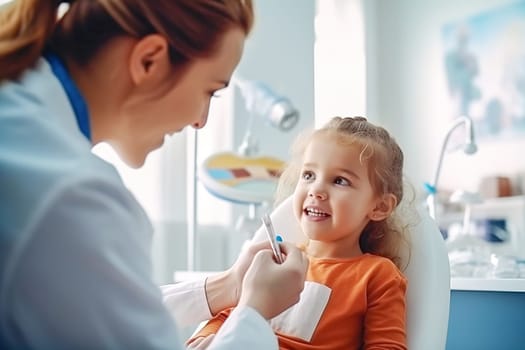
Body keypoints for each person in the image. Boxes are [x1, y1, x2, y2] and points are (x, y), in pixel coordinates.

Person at [0, 1, 308, 349]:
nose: (200, 121)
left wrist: (230, 288)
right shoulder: (75, 196)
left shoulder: (18, 114)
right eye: (210, 90)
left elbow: (95, 305)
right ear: (149, 60)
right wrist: (255, 313)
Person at [187, 116, 411, 349]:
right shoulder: (276, 263)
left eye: (340, 181)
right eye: (308, 176)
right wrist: (202, 338)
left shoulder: (378, 275)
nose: (316, 190)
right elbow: (228, 316)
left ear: (379, 206)